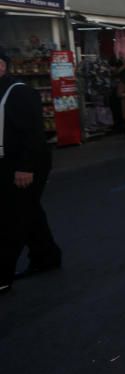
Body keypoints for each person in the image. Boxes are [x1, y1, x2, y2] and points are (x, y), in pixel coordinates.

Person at [0, 49, 62, 295]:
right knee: (28, 210)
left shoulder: (19, 91)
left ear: (3, 65)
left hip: (24, 162)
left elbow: (33, 133)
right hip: (5, 162)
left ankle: (2, 275)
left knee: (11, 218)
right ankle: (46, 256)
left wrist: (25, 167)